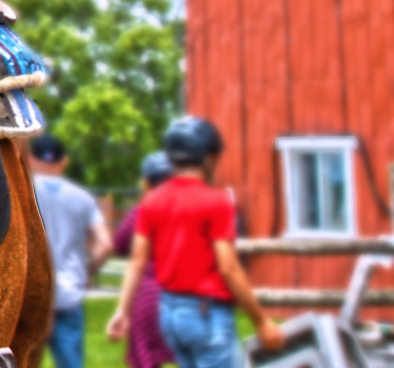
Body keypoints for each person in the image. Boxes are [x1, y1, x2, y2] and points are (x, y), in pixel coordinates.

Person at [107, 117, 286, 368]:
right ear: (209, 158)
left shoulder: (152, 201)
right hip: (205, 314)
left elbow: (137, 261)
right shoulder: (217, 202)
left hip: (168, 313)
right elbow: (229, 267)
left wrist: (122, 311)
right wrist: (260, 321)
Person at [30, 133, 113, 368]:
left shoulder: (24, 193)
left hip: (32, 293)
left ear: (32, 159)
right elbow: (105, 244)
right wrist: (87, 272)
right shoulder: (83, 198)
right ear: (63, 161)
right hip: (68, 292)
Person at [112, 152, 177, 368]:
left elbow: (120, 244)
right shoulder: (188, 211)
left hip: (147, 296)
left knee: (145, 359)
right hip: (184, 294)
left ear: (147, 183)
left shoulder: (140, 212)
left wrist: (122, 310)